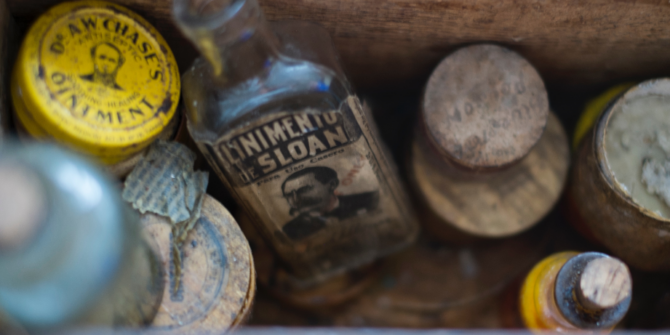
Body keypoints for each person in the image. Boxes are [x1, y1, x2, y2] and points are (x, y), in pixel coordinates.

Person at [281, 166, 379, 241]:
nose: (294, 200)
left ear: (332, 185)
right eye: (289, 195)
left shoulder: (370, 200)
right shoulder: (289, 230)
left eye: (304, 189)